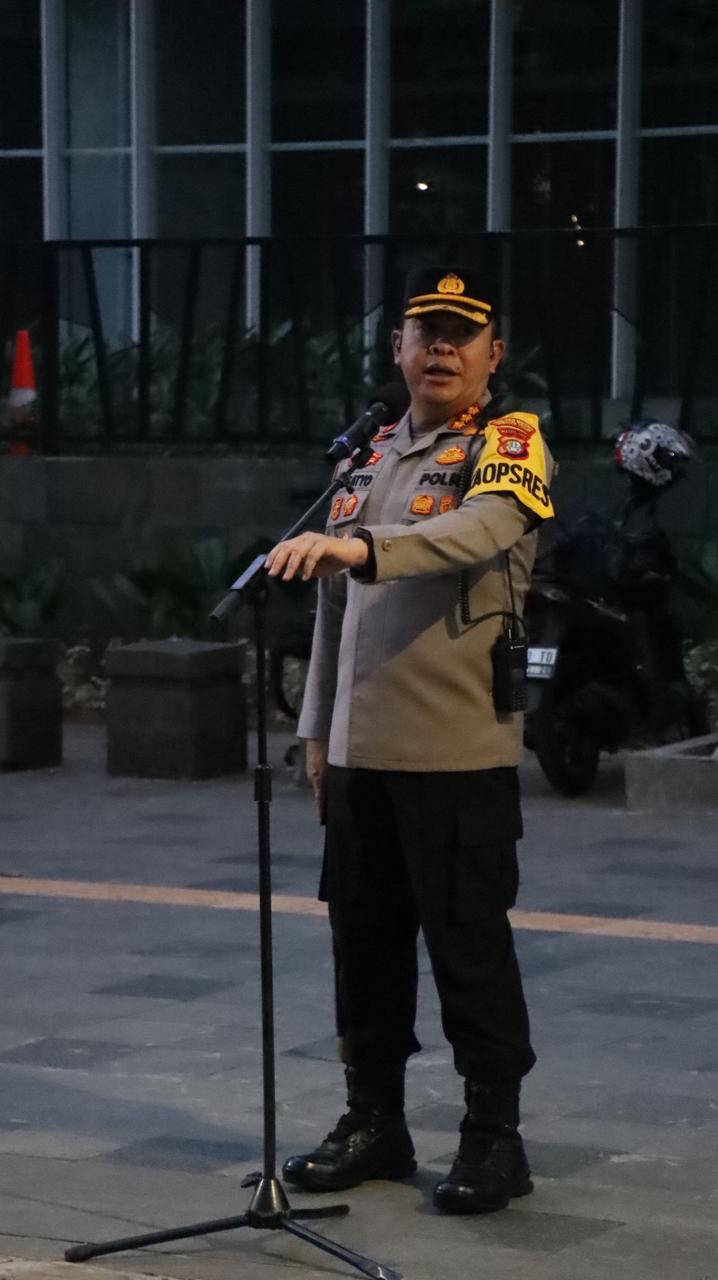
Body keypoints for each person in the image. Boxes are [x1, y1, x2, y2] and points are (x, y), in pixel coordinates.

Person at [265, 266, 555, 1214]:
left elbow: (476, 533)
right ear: (397, 348)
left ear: (491, 356)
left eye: (460, 336)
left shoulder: (509, 443)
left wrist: (362, 548)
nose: (440, 348)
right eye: (425, 332)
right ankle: (374, 1121)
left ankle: (494, 1138)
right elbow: (332, 610)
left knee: (469, 948)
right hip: (361, 753)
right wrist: (318, 731)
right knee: (365, 946)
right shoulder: (367, 455)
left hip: (454, 749)